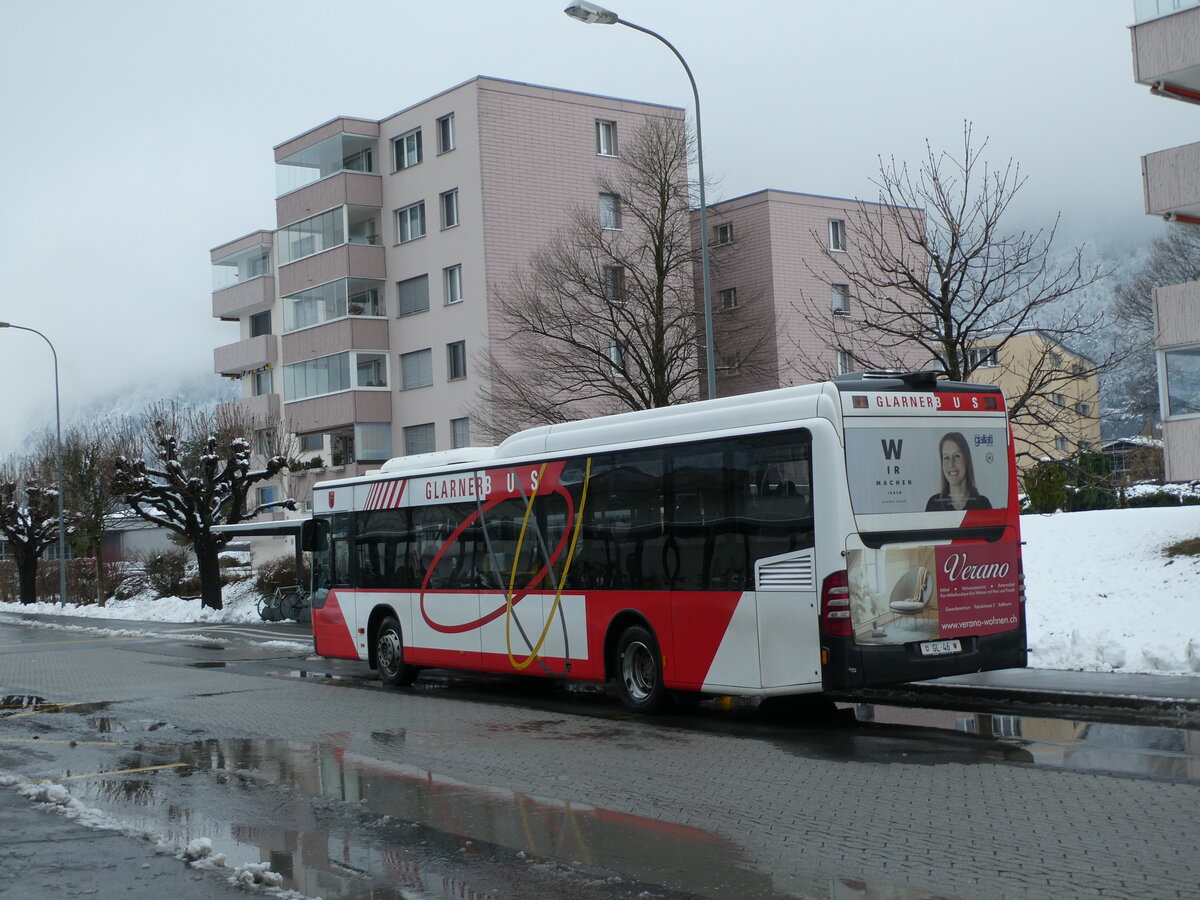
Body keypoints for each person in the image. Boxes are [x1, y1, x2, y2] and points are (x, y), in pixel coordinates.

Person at [926, 432, 992, 511]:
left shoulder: (983, 504)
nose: (951, 464)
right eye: (946, 458)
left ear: (966, 460)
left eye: (957, 456)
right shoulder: (933, 504)